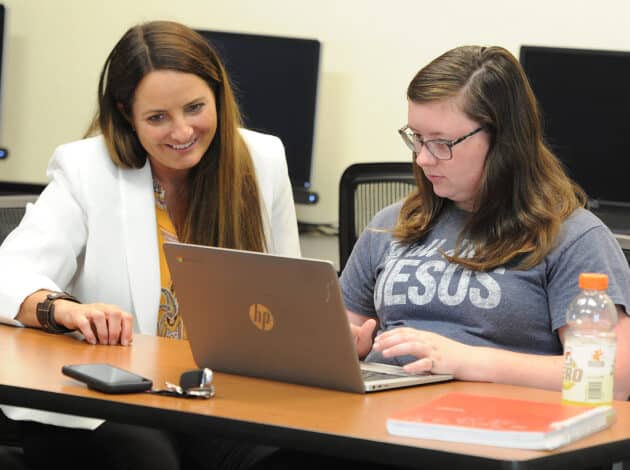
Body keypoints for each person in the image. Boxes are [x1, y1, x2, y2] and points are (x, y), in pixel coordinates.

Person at [0, 20, 301, 470]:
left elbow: (288, 290)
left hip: (211, 396)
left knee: (287, 456)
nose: (181, 132)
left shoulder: (263, 159)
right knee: (148, 459)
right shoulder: (86, 168)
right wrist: (64, 309)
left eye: (195, 108)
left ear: (218, 95)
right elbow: (9, 274)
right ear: (126, 114)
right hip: (102, 402)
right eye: (157, 117)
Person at [341, 45, 630, 401]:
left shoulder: (572, 236)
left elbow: (614, 380)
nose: (422, 158)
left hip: (490, 432)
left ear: (503, 141)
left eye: (442, 143)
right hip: (376, 421)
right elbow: (347, 327)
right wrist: (346, 344)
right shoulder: (394, 222)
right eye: (416, 138)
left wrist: (466, 361)